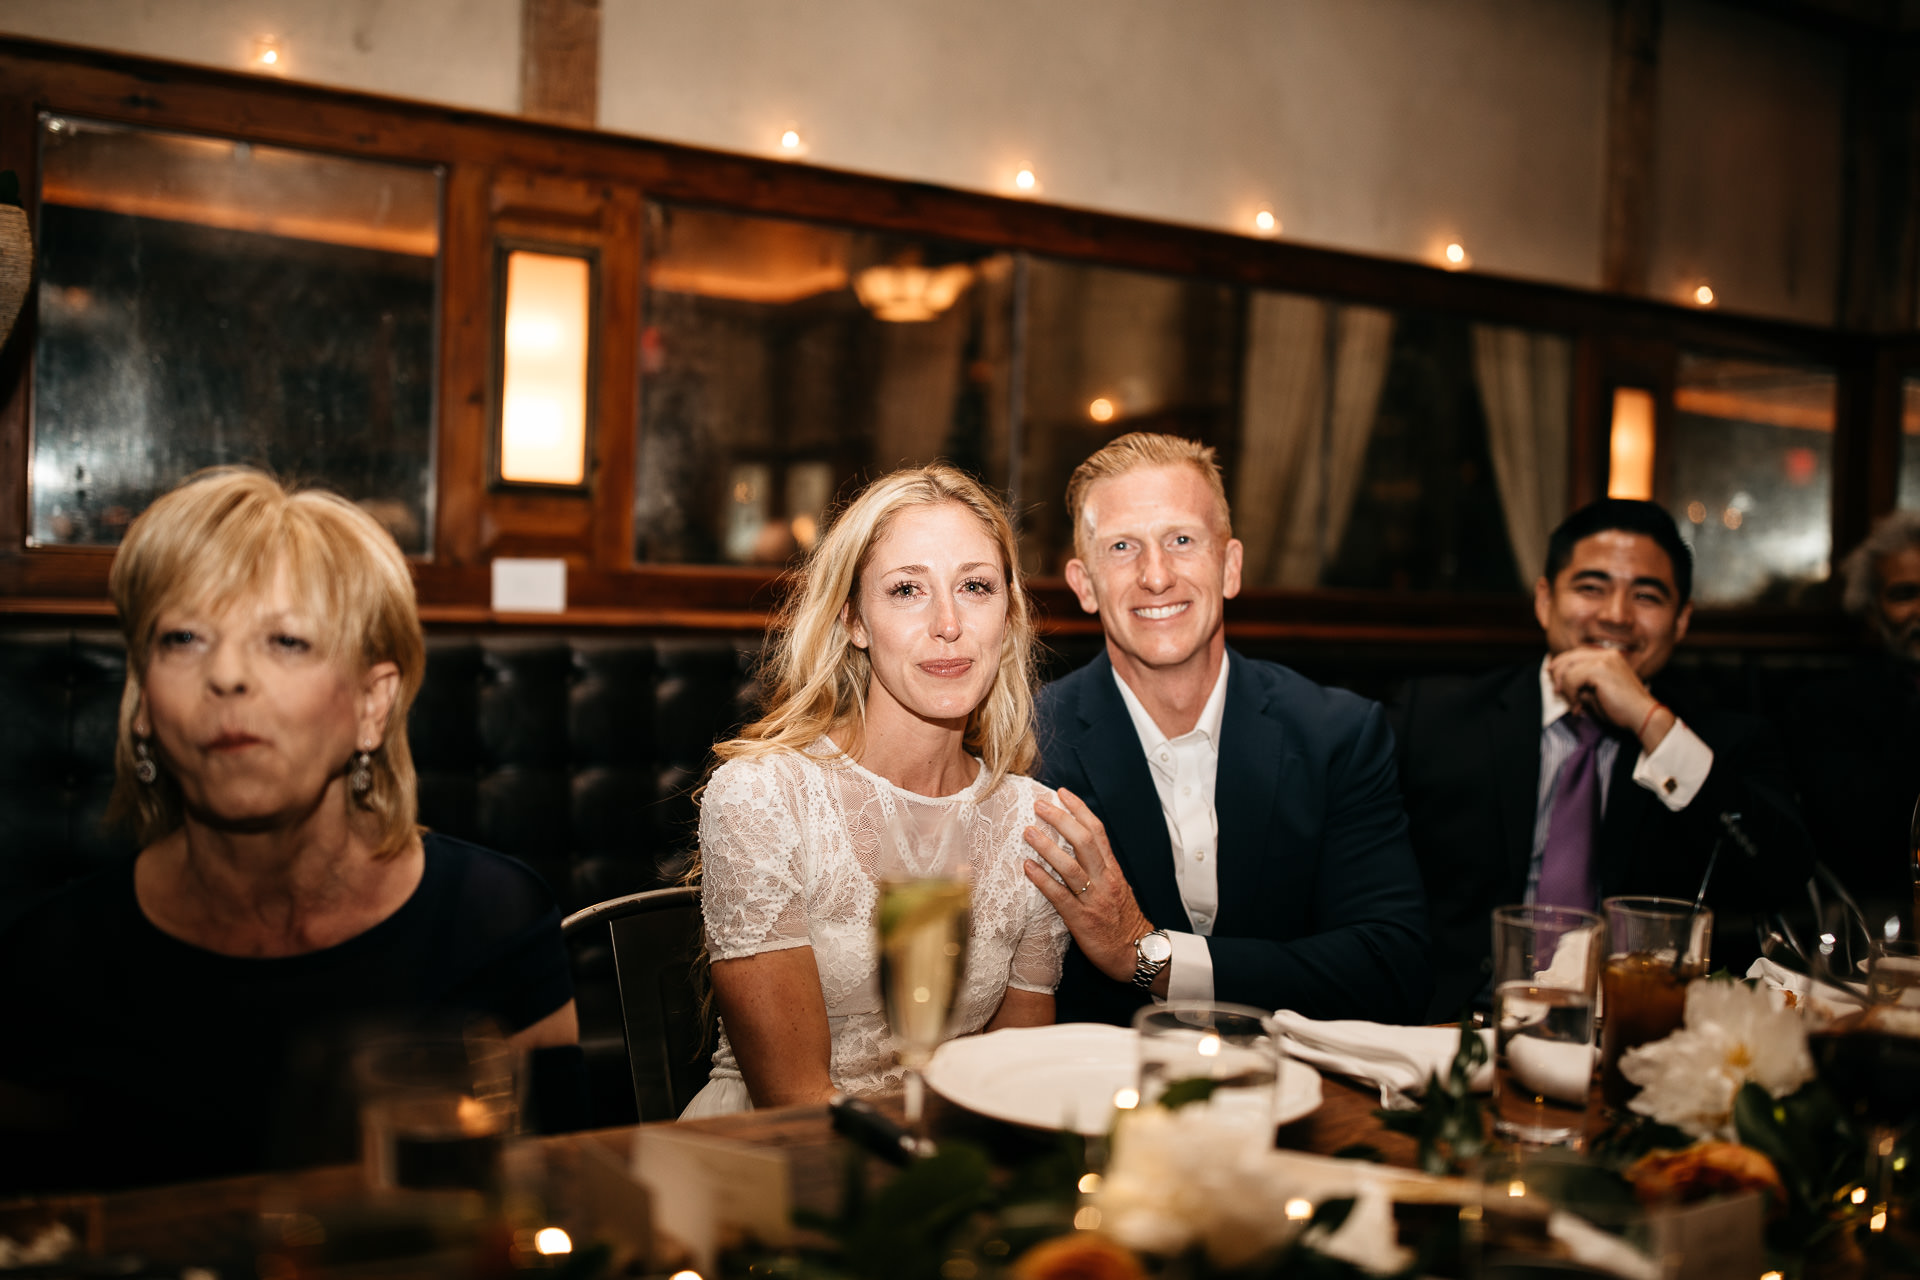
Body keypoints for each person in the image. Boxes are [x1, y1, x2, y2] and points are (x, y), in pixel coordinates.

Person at [0, 469, 578, 1193]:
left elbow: (548, 1206)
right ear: (143, 701)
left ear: (373, 703)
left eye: (286, 641)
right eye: (183, 638)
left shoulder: (496, 926)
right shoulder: (46, 965)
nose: (229, 675)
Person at [684, 465, 1069, 1115]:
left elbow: (1017, 1085)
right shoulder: (761, 799)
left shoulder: (1035, 822)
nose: (948, 623)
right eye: (907, 590)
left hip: (956, 1160)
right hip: (776, 1152)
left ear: (1007, 616)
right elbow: (797, 1101)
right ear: (854, 621)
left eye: (975, 586)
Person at [1022, 433, 1430, 1026]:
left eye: (1182, 540)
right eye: (1122, 547)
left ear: (1230, 566)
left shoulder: (1337, 734)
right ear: (1084, 585)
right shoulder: (1028, 744)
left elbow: (1394, 969)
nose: (1155, 576)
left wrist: (1150, 958)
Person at [1393, 499, 1813, 1022]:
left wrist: (1649, 721)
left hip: (1633, 1037)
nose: (1616, 615)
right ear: (1545, 600)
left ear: (1681, 621)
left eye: (1647, 596)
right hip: (1449, 1028)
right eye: (1591, 588)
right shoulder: (1435, 719)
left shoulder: (1723, 744)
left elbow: (1779, 876)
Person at [1785, 511, 1920, 914]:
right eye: (1904, 594)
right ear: (1871, 611)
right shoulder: (1825, 709)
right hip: (1873, 927)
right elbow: (1858, 842)